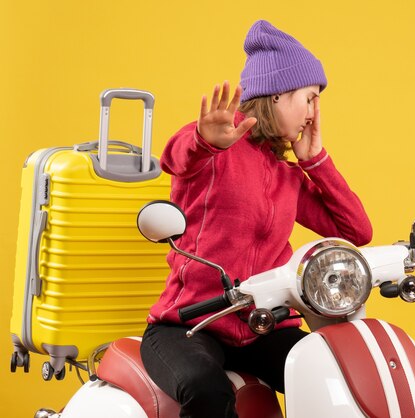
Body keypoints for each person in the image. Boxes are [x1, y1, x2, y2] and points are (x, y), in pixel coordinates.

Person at [140, 20, 372, 418]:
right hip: (188, 326)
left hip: (261, 329)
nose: (315, 113)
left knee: (336, 374)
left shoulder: (287, 176)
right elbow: (175, 158)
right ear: (278, 94)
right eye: (310, 98)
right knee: (205, 388)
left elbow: (356, 230)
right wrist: (202, 140)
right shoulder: (216, 149)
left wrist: (315, 159)